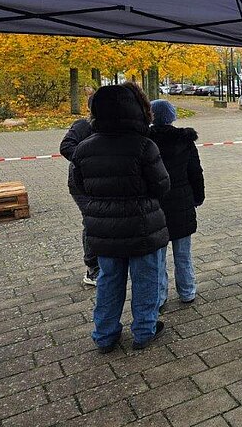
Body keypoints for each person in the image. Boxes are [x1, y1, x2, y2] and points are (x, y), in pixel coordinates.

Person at [72, 82, 170, 353]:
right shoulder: (144, 146)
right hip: (143, 228)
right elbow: (162, 185)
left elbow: (79, 185)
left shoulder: (84, 148)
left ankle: (104, 335)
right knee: (146, 281)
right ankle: (144, 330)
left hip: (104, 231)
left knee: (108, 282)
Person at [149, 99, 205, 311]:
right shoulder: (185, 140)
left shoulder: (146, 141)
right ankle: (187, 291)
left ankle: (160, 295)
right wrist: (198, 197)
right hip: (182, 203)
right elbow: (195, 172)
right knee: (183, 253)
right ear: (172, 116)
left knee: (158, 256)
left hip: (156, 206)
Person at [59, 89, 98, 286]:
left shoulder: (110, 125)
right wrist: (88, 159)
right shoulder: (83, 125)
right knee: (91, 221)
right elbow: (66, 146)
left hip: (100, 182)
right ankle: (92, 268)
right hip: (80, 184)